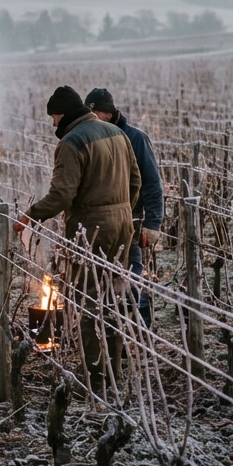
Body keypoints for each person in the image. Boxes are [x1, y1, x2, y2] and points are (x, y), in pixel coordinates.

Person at [14, 86, 140, 389]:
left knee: (87, 304)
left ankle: (94, 380)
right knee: (113, 299)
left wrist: (30, 216)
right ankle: (115, 374)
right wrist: (121, 211)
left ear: (65, 114)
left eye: (54, 117)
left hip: (91, 229)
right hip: (123, 225)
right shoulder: (116, 131)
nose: (53, 124)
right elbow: (136, 181)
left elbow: (62, 194)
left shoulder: (72, 142)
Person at [86, 88, 162, 327]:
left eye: (94, 112)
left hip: (131, 221)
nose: (91, 118)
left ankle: (140, 332)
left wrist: (152, 223)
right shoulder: (94, 138)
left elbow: (151, 183)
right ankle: (114, 328)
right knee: (106, 279)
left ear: (107, 113)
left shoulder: (136, 139)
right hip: (101, 224)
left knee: (130, 276)